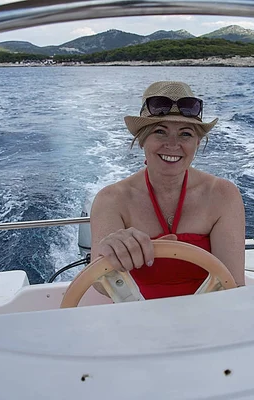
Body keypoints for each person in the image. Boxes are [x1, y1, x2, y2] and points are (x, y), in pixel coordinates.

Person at [90, 81, 245, 300]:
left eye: (185, 134)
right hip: (136, 316)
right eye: (160, 132)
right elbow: (100, 283)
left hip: (209, 315)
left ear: (198, 143)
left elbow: (232, 283)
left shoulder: (223, 195)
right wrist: (110, 253)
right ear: (142, 140)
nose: (172, 144)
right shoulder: (111, 200)